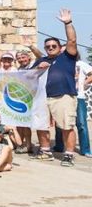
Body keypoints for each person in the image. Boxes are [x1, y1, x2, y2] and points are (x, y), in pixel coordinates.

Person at [32, 9, 79, 166]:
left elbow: (72, 40)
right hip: (43, 98)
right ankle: (45, 150)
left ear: (60, 47)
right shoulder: (42, 60)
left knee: (66, 126)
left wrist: (68, 23)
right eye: (48, 46)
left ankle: (69, 154)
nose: (50, 48)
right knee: (41, 125)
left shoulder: (67, 57)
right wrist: (38, 69)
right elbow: (28, 76)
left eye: (53, 46)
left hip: (64, 95)